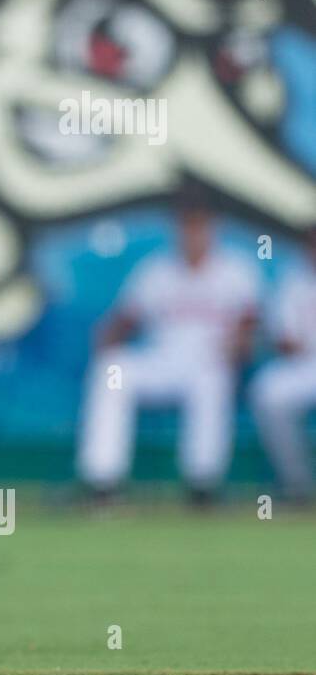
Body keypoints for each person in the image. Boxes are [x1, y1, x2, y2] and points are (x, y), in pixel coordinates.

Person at [76, 197, 261, 502]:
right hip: (161, 358)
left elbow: (250, 325)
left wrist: (239, 346)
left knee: (212, 378)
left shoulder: (236, 270)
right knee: (112, 369)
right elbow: (125, 319)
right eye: (186, 226)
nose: (192, 234)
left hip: (208, 359)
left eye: (199, 226)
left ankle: (203, 484)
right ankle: (102, 481)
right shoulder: (156, 270)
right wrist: (106, 340)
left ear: (212, 229)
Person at [249, 226, 316, 501]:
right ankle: (297, 484)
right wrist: (287, 342)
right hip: (305, 366)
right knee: (268, 391)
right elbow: (283, 339)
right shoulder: (294, 280)